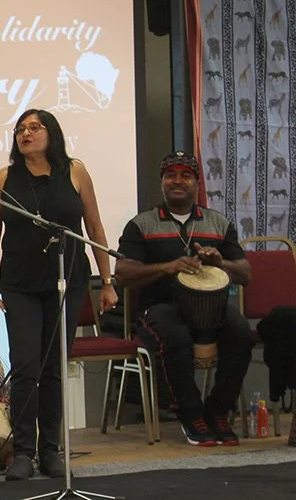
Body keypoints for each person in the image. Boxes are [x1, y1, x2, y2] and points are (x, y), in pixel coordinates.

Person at [0, 109, 117, 481]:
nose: (26, 134)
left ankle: (51, 450)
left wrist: (106, 281)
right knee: (25, 365)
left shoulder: (75, 171)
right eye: (20, 129)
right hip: (20, 283)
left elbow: (94, 225)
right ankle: (23, 451)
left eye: (34, 128)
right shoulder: (4, 178)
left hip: (67, 279)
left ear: (52, 134)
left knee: (55, 366)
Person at [115, 151, 251, 447]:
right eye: (170, 175)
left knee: (241, 331)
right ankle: (191, 414)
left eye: (185, 175)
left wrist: (220, 262)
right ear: (162, 182)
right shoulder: (142, 224)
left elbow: (245, 274)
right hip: (159, 310)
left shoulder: (217, 223)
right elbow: (123, 274)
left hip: (211, 312)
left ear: (197, 183)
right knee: (174, 336)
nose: (177, 180)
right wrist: (168, 267)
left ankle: (217, 411)